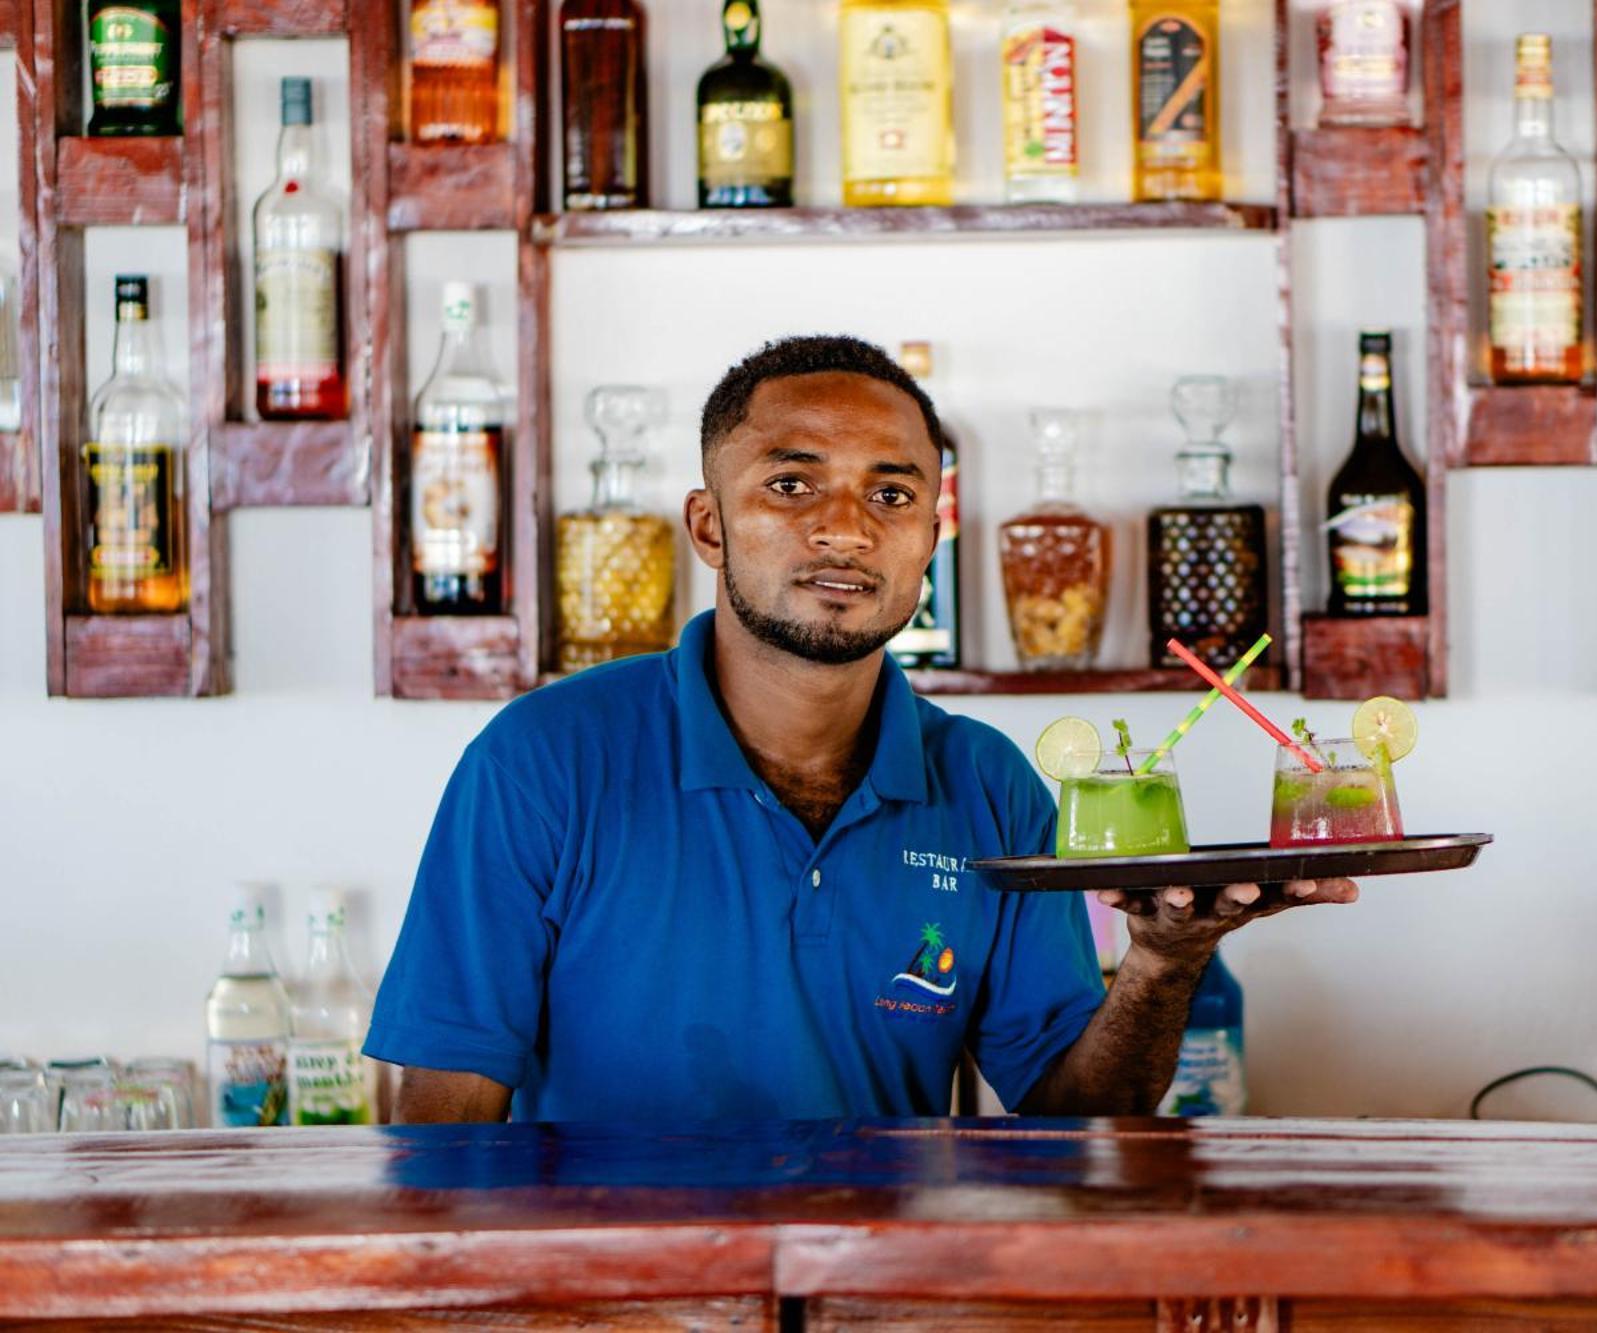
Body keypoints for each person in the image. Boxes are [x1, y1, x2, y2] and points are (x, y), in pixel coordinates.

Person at [363, 335, 1358, 1123]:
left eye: (891, 494)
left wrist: (1160, 963)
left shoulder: (989, 786)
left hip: (886, 1300)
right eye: (790, 485)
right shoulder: (542, 760)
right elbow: (442, 1119)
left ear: (932, 533)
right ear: (707, 526)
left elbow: (1073, 1119)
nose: (846, 529)